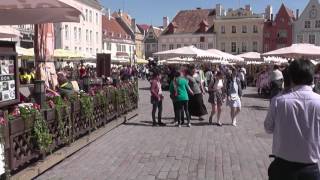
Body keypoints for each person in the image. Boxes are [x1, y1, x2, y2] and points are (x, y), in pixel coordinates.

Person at [264, 59, 320, 180]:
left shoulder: (279, 101)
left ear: (291, 78)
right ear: (312, 78)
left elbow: (268, 128)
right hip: (310, 168)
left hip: (282, 167)